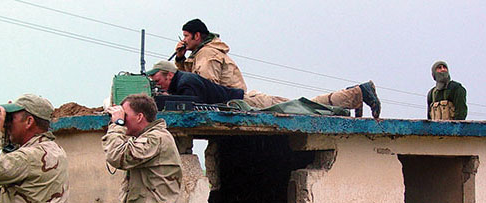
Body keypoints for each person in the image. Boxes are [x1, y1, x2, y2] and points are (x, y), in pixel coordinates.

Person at [148, 61, 382, 118]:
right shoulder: (184, 79)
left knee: (305, 107)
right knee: (305, 104)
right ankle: (353, 95)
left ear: (169, 74)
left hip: (251, 103)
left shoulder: (186, 82)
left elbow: (191, 106)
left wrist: (165, 99)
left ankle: (357, 94)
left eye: (158, 80)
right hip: (251, 100)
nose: (157, 84)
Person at [174, 18, 247, 91]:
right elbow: (189, 80)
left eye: (186, 36)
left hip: (228, 101)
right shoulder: (201, 54)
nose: (183, 40)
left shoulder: (207, 54)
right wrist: (180, 58)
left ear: (196, 36)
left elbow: (206, 87)